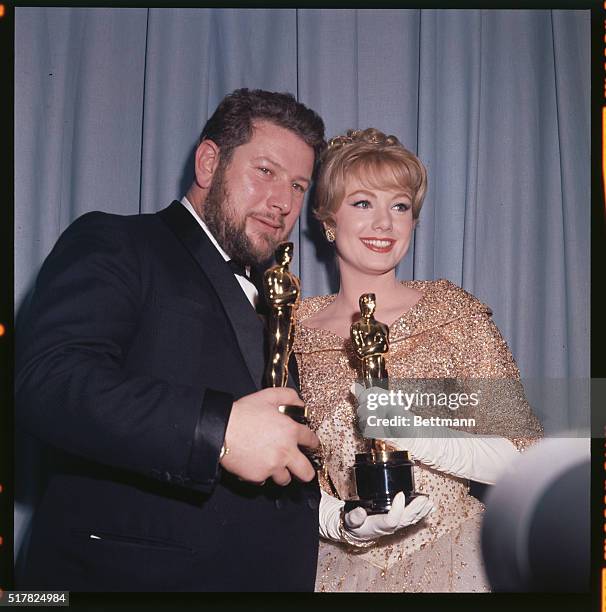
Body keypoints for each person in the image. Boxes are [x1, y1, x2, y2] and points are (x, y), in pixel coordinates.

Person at [15, 88, 326, 592]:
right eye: (265, 172)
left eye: (297, 185)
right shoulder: (118, 241)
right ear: (208, 162)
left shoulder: (281, 304)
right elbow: (46, 382)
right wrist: (218, 430)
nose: (282, 202)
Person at [293, 128, 543, 592]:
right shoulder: (292, 332)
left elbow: (522, 456)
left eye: (400, 206)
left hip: (456, 557)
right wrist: (342, 523)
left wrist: (421, 437)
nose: (384, 223)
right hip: (336, 567)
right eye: (363, 203)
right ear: (328, 220)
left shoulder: (454, 314)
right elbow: (291, 474)